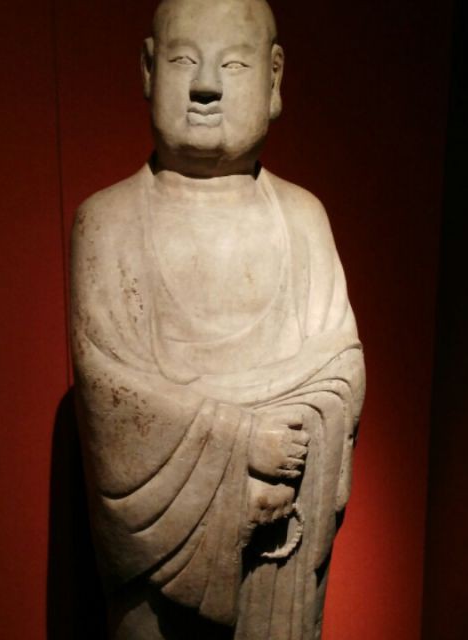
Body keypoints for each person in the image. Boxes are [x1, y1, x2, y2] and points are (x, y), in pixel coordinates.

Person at [70, 1, 366, 638]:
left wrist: (264, 449)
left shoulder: (303, 221)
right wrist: (246, 443)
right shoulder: (108, 222)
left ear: (274, 76)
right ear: (149, 70)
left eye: (233, 64)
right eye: (184, 60)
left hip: (277, 545)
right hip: (156, 566)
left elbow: (339, 377)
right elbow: (109, 394)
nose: (206, 85)